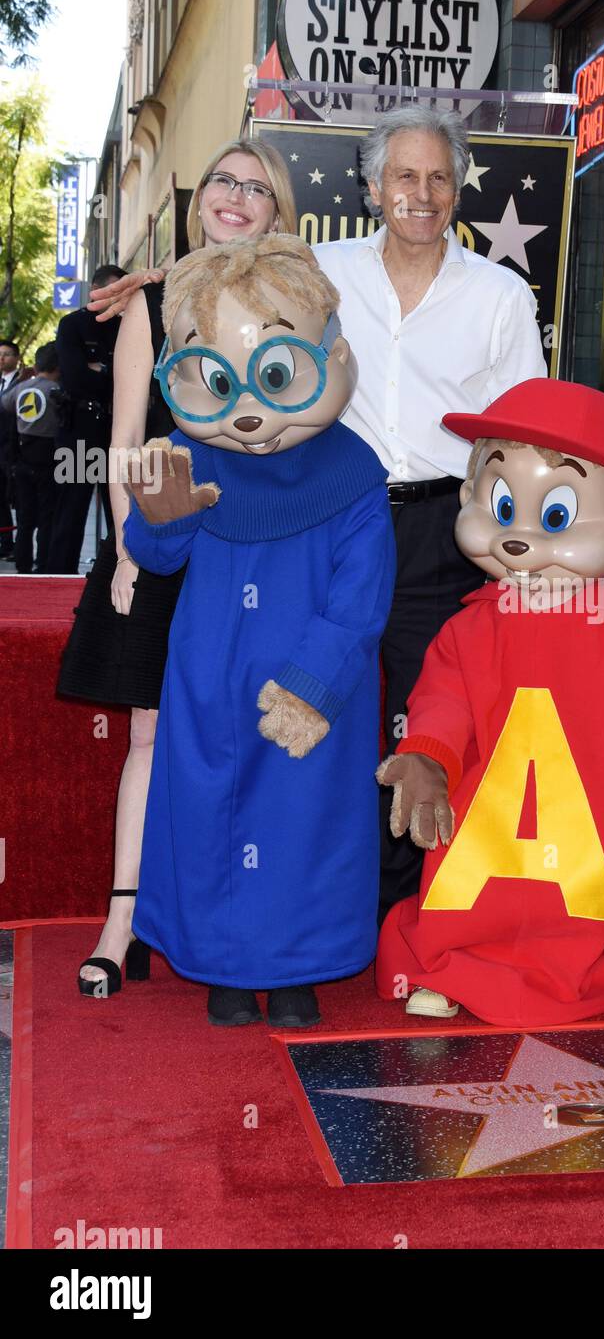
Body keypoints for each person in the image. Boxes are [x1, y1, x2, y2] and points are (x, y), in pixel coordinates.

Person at [121, 236, 395, 1030]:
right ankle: (227, 970)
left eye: (273, 375)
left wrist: (314, 684)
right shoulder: (184, 454)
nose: (248, 410)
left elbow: (360, 596)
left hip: (315, 690)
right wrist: (158, 523)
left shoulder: (353, 472)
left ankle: (302, 968)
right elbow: (155, 555)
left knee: (309, 822)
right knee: (211, 813)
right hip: (211, 676)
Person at [375, 379, 604, 1025]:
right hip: (484, 835)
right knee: (461, 896)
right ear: (469, 500)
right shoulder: (469, 627)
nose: (518, 538)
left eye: (553, 516)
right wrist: (428, 761)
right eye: (499, 504)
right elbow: (443, 703)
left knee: (570, 909)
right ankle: (449, 966)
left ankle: (550, 973)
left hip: (582, 835)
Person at [64, 139, 296, 1000]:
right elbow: (124, 443)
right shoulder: (150, 306)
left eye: (257, 188)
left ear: (278, 209)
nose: (237, 197)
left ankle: (230, 914)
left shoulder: (291, 295)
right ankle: (122, 925)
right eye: (224, 181)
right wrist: (130, 550)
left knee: (252, 736)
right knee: (151, 737)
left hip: (258, 553)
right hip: (162, 541)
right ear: (203, 198)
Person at [312, 104, 548, 916]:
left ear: (458, 190)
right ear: (374, 186)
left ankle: (409, 904)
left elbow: (521, 436)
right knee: (327, 698)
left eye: (439, 177)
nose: (423, 192)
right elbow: (233, 304)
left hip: (442, 528)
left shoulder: (499, 295)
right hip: (337, 521)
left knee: (428, 716)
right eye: (405, 175)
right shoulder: (321, 271)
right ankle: (321, 890)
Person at [48, 266, 127, 572]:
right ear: (96, 290)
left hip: (116, 429)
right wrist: (112, 373)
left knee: (120, 512)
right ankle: (57, 578)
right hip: (79, 430)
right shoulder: (73, 324)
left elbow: (139, 378)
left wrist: (102, 370)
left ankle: (116, 577)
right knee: (70, 510)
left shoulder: (126, 326)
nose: (121, 299)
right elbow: (76, 377)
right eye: (114, 291)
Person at [1, 341, 62, 572]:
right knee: (47, 516)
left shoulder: (21, 388)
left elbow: (4, 405)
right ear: (58, 367)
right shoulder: (56, 391)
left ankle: (22, 563)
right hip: (48, 460)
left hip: (22, 458)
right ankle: (43, 563)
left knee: (25, 519)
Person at [0, 339, 27, 560]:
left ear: (16, 358)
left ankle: (19, 546)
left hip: (13, 448)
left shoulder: (24, 381)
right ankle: (5, 543)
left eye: (7, 354)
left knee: (16, 497)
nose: (2, 359)